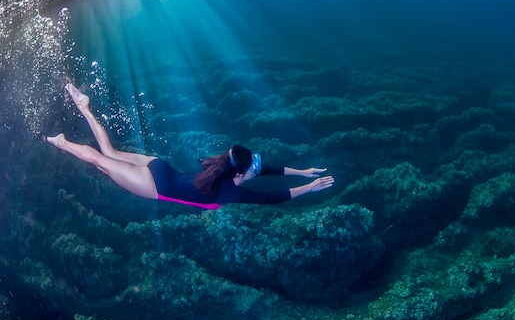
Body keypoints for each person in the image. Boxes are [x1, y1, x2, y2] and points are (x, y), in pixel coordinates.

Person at [45, 83, 334, 210]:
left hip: (158, 168)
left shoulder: (224, 167)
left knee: (109, 153)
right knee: (99, 160)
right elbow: (272, 198)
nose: (258, 170)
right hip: (154, 186)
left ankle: (84, 107)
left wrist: (305, 171)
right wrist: (308, 188)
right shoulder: (230, 190)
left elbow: (269, 171)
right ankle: (62, 143)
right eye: (254, 168)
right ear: (242, 172)